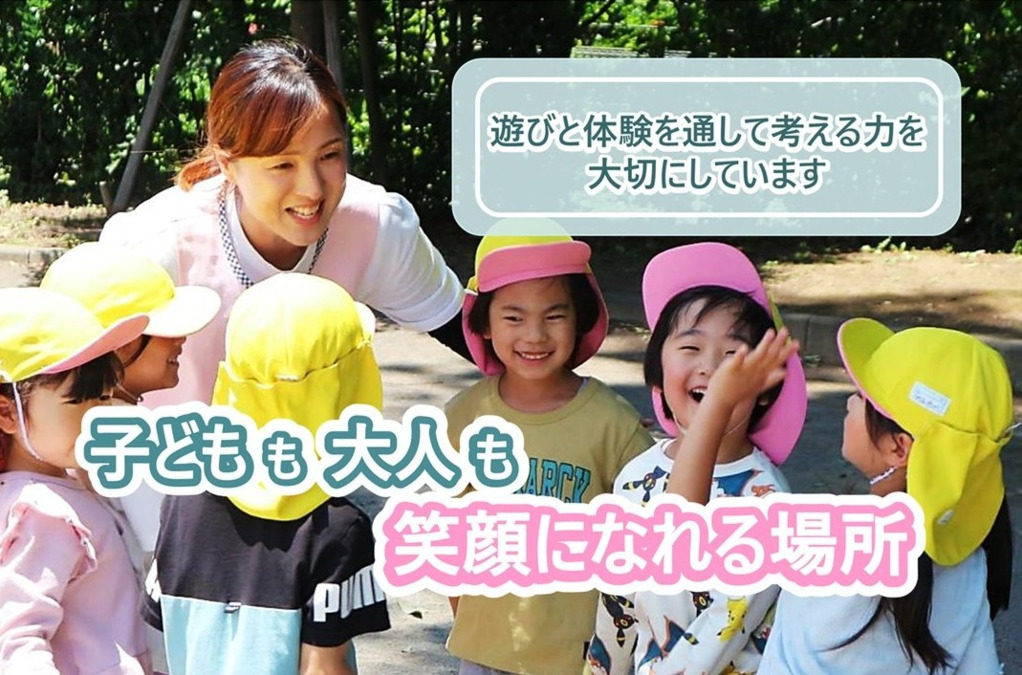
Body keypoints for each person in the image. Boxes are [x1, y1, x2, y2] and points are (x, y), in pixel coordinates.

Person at [100, 38, 467, 410]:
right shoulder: (156, 245)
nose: (312, 189)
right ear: (228, 164)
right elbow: (77, 388)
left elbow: (477, 334)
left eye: (329, 155)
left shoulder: (375, 225)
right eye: (282, 165)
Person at [142, 273, 390, 675]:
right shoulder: (339, 529)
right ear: (347, 380)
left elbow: (164, 634)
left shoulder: (182, 500)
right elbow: (323, 669)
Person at [586, 243, 808, 675]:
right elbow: (616, 608)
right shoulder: (637, 474)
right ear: (657, 369)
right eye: (690, 347)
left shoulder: (767, 503)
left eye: (733, 355)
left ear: (764, 386)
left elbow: (717, 637)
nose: (711, 368)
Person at [751, 320, 1012, 674]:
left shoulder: (829, 542)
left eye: (862, 397)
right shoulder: (970, 561)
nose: (849, 402)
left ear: (898, 447)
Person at [445, 232, 653, 675]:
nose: (535, 335)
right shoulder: (464, 416)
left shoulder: (613, 422)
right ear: (484, 323)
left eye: (555, 315)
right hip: (484, 655)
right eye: (513, 317)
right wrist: (473, 624)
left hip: (581, 658)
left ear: (579, 319)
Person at [40, 241, 222, 674]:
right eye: (166, 329)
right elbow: (177, 546)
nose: (181, 339)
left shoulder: (60, 432)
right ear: (120, 345)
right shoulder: (125, 434)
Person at [0, 287, 151, 673]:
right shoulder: (44, 512)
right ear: (8, 414)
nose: (97, 416)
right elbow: (17, 639)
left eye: (103, 397)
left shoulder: (49, 490)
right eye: (77, 401)